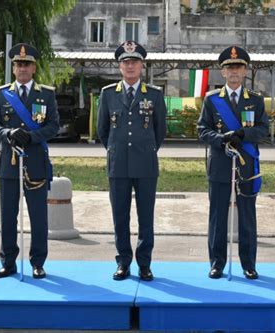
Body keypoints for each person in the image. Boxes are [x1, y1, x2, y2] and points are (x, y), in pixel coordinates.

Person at [0, 43, 59, 279]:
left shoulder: (46, 94)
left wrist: (31, 136)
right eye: (18, 64)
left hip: (35, 162)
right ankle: (8, 262)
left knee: (38, 217)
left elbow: (53, 126)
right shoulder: (2, 93)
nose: (23, 68)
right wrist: (8, 134)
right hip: (9, 164)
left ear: (34, 68)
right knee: (8, 217)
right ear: (13, 68)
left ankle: (38, 262)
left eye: (27, 64)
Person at [197, 46, 269, 280]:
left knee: (247, 216)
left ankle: (249, 264)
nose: (234, 71)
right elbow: (202, 129)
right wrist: (220, 139)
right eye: (229, 68)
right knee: (218, 217)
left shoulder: (256, 101)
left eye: (238, 67)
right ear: (223, 72)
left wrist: (242, 135)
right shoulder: (212, 100)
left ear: (245, 71)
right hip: (220, 164)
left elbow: (263, 129)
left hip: (246, 165)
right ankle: (217, 263)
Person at [97, 41, 167, 281]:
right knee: (120, 216)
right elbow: (102, 130)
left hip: (146, 165)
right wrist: (117, 151)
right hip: (118, 165)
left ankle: (145, 264)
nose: (130, 66)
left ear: (141, 65)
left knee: (146, 217)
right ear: (119, 66)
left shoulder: (155, 95)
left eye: (134, 62)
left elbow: (160, 131)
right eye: (126, 62)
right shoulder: (108, 94)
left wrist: (145, 150)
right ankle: (123, 262)